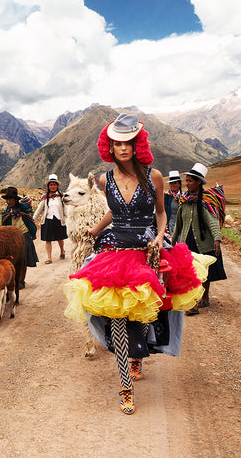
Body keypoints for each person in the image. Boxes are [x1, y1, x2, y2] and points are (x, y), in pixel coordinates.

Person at [62, 113, 209, 415]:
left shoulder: (154, 177)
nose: (122, 148)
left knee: (143, 313)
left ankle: (137, 355)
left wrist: (160, 236)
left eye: (127, 143)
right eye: (117, 144)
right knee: (117, 314)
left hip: (147, 248)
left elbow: (161, 212)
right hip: (116, 250)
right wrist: (94, 230)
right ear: (110, 147)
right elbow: (114, 212)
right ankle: (125, 385)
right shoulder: (105, 179)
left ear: (137, 145)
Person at [171, 162, 226, 315]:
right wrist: (173, 240)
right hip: (187, 242)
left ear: (198, 183)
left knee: (204, 272)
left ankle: (203, 298)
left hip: (203, 242)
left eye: (190, 181)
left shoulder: (205, 202)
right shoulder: (184, 201)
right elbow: (179, 223)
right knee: (190, 272)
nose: (187, 184)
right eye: (186, 181)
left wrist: (217, 239)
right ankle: (195, 301)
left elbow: (213, 221)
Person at [1, 186, 38, 281]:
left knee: (23, 260)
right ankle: (13, 280)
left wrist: (33, 233)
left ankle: (21, 280)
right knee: (12, 259)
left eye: (11, 199)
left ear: (15, 200)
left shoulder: (23, 209)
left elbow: (29, 220)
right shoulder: (7, 212)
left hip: (24, 235)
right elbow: (4, 225)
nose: (8, 202)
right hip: (11, 238)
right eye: (7, 200)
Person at [33, 174, 68, 264]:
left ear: (57, 186)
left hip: (59, 220)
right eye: (51, 185)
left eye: (54, 184)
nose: (53, 186)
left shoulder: (61, 197)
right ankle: (49, 258)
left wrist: (68, 217)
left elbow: (65, 209)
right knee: (48, 240)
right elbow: (39, 209)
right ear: (48, 186)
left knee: (60, 238)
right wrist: (33, 218)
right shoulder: (45, 198)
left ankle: (62, 251)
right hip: (48, 220)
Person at [164, 170, 182, 236]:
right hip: (170, 226)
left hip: (181, 226)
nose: (173, 185)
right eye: (171, 183)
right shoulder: (166, 196)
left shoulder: (184, 197)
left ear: (179, 184)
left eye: (175, 183)